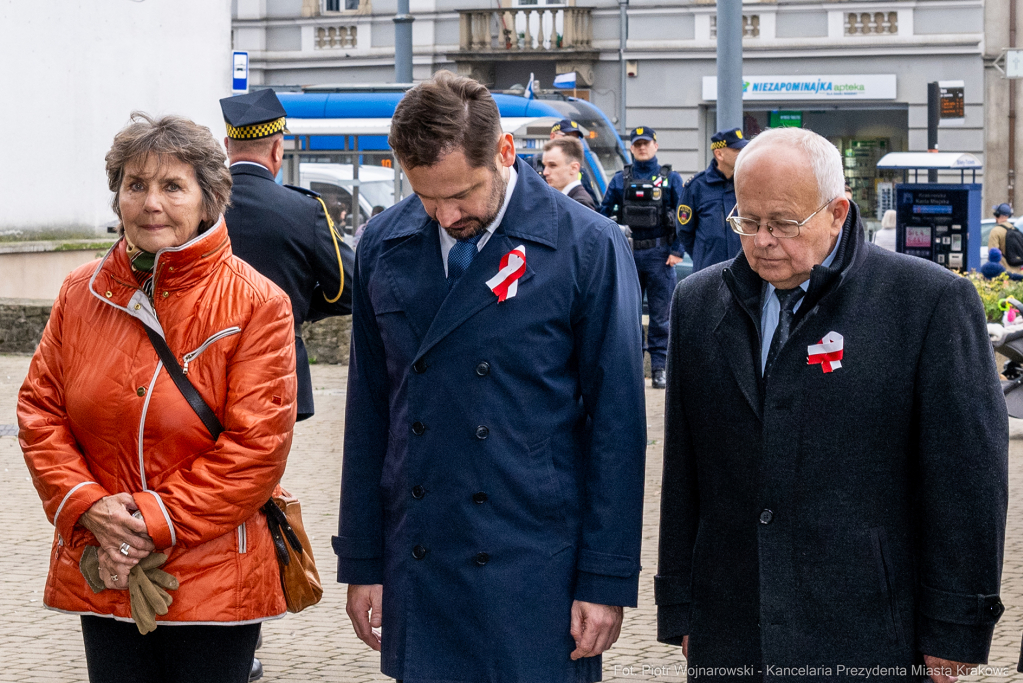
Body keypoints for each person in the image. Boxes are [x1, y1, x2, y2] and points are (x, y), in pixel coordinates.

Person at [656, 127, 1007, 682]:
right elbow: (683, 472)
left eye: (784, 223)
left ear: (838, 212)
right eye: (747, 221)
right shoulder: (699, 302)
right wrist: (680, 606)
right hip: (733, 623)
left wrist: (956, 624)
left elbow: (966, 478)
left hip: (870, 627)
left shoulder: (928, 303)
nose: (763, 240)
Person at [335, 71, 647, 683]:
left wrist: (606, 580)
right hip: (422, 557)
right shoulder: (382, 241)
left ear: (505, 152)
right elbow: (370, 411)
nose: (446, 214)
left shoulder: (588, 244)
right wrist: (364, 560)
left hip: (535, 566)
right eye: (426, 197)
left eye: (463, 194)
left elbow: (618, 428)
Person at [18, 113, 298, 683]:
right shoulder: (80, 292)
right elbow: (40, 411)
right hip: (104, 565)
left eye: (172, 186)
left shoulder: (256, 303)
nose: (151, 202)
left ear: (209, 199)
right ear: (117, 195)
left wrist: (145, 520)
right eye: (135, 184)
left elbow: (255, 451)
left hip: (213, 574)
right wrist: (87, 505)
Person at [221, 89, 354, 423]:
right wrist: (296, 307)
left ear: (226, 146)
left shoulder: (196, 208)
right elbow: (349, 288)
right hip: (277, 363)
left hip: (203, 362)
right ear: (278, 149)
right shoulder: (305, 210)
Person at [599, 126, 684, 389]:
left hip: (660, 255)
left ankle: (659, 369)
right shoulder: (619, 179)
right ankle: (633, 368)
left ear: (655, 146)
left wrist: (677, 251)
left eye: (646, 143)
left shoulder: (671, 179)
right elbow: (602, 215)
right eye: (637, 144)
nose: (642, 148)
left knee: (661, 316)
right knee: (628, 314)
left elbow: (683, 216)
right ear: (632, 148)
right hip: (629, 253)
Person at [677, 127, 746, 275]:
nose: (743, 154)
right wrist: (704, 254)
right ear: (719, 154)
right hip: (708, 272)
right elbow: (684, 231)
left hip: (744, 272)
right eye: (736, 150)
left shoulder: (749, 183)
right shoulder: (696, 186)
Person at [547, 118, 602, 206]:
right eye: (567, 136)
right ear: (553, 136)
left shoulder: (580, 172)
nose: (571, 142)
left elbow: (593, 208)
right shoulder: (533, 165)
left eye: (575, 138)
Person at [542, 137, 597, 210]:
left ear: (574, 168)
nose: (545, 172)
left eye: (553, 165)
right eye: (544, 166)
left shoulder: (580, 204)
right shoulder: (570, 199)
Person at [989, 203, 1021, 275]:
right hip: (1017, 272)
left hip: (1003, 273)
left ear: (997, 215)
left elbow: (993, 253)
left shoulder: (995, 231)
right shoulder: (1015, 229)